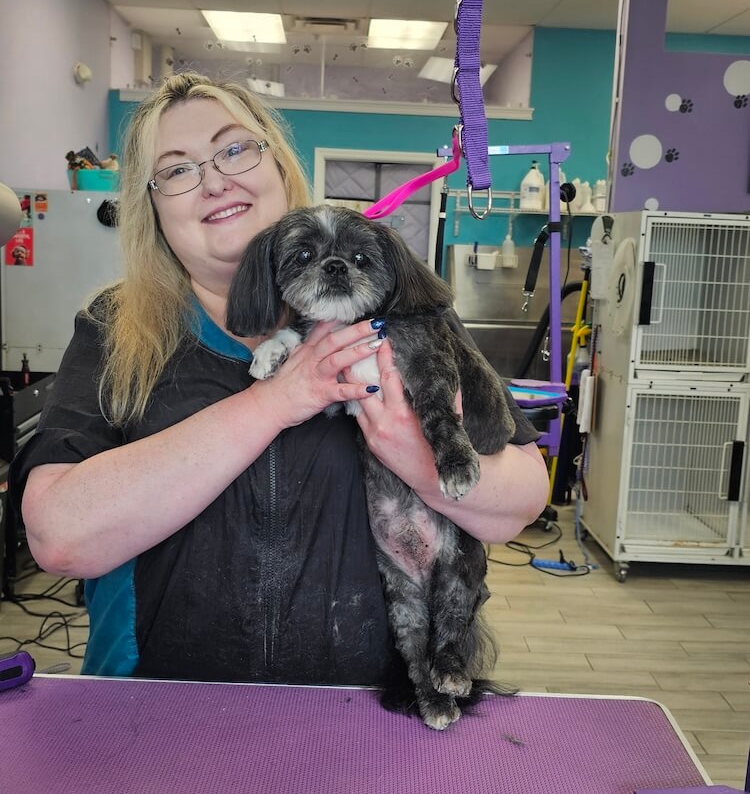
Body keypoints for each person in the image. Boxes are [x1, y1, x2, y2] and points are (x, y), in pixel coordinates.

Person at [11, 72, 549, 685]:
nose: (215, 180)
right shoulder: (115, 328)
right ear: (151, 207)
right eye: (177, 169)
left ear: (279, 164)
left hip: (365, 707)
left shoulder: (399, 304)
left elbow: (522, 502)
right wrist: (278, 400)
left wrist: (417, 457)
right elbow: (57, 538)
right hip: (153, 707)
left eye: (234, 149)